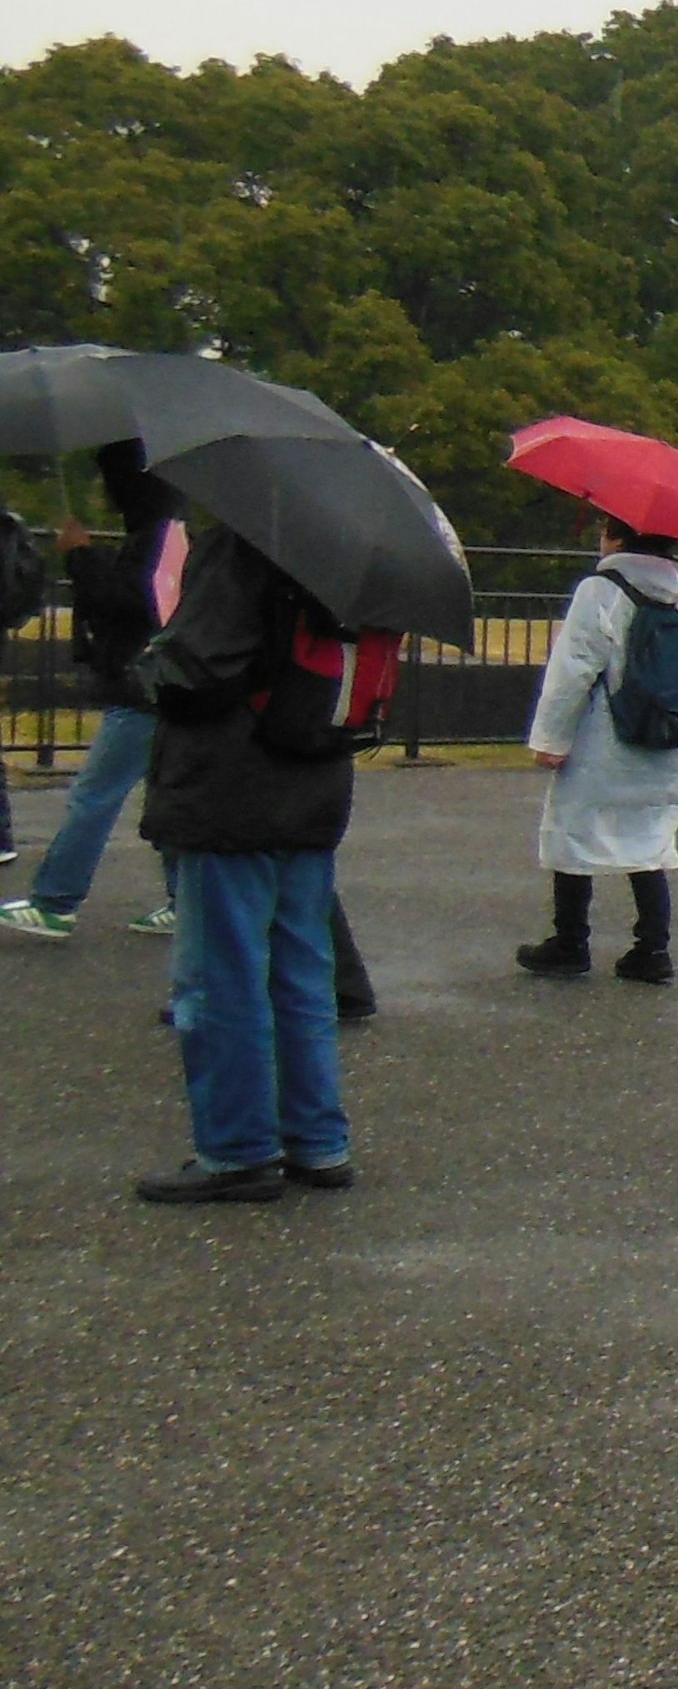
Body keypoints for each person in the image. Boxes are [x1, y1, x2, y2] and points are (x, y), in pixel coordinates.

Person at [130, 517, 357, 1204]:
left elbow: (202, 667)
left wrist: (149, 663)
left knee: (221, 975)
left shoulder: (239, 539)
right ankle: (317, 1140)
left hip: (233, 783)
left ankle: (237, 1148)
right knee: (302, 970)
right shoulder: (346, 545)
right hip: (315, 775)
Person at [1, 444, 185, 947]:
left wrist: (82, 554)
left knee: (94, 796)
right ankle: (185, 901)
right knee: (164, 798)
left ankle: (55, 902)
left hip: (141, 688)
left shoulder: (152, 539)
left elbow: (127, 602)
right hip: (164, 687)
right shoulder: (169, 534)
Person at [516, 514, 678, 984]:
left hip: (604, 733)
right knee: (650, 839)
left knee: (574, 830)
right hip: (661, 735)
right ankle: (652, 949)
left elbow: (573, 667)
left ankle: (569, 942)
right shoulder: (675, 591)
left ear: (617, 536)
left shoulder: (601, 589)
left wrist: (550, 737)